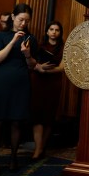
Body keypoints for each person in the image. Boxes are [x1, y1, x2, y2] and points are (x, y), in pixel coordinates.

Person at [0, 3, 37, 174]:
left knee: (17, 122)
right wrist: (14, 40)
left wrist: (27, 54)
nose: (23, 23)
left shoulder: (31, 38)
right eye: (21, 19)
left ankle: (13, 158)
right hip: (1, 83)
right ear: (13, 17)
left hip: (21, 84)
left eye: (27, 21)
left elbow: (32, 66)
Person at [30, 21, 65, 161]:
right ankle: (38, 149)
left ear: (60, 33)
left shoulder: (64, 47)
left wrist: (44, 70)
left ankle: (41, 147)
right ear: (47, 31)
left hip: (53, 83)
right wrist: (39, 67)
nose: (54, 32)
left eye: (57, 30)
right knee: (37, 115)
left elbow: (62, 68)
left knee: (48, 117)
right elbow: (32, 64)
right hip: (38, 82)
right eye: (51, 29)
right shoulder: (39, 46)